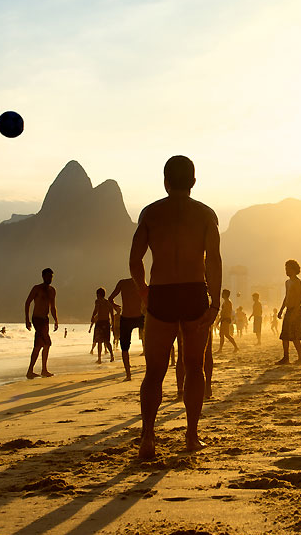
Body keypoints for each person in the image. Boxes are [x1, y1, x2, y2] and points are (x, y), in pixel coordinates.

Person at [129, 155, 221, 459]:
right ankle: (192, 436)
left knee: (154, 370)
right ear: (193, 182)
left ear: (165, 181)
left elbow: (135, 259)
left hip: (162, 294)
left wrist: (144, 292)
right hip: (194, 292)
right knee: (195, 367)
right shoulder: (206, 215)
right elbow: (214, 260)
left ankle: (148, 439)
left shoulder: (151, 214)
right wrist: (215, 301)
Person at [24, 267, 58, 378]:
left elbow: (53, 307)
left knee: (40, 345)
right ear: (43, 276)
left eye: (51, 276)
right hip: (37, 319)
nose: (50, 278)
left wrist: (56, 320)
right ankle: (38, 370)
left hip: (45, 320)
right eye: (48, 276)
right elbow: (27, 302)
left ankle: (36, 370)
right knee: (46, 343)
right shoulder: (37, 288)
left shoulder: (52, 290)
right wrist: (27, 320)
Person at [109, 278, 144, 381]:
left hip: (127, 317)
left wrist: (115, 306)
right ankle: (150, 370)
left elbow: (110, 298)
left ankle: (128, 375)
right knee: (149, 343)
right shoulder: (140, 281)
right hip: (139, 316)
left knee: (125, 348)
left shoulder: (122, 283)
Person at [277, 259, 301, 364]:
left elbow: (299, 297)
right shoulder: (287, 282)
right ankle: (286, 357)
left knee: (295, 335)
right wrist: (281, 310)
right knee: (284, 335)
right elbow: (286, 297)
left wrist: (295, 312)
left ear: (293, 270)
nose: (286, 271)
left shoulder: (297, 282)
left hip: (295, 310)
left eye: (287, 269)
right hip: (288, 310)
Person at [89, 287, 115, 364]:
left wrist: (93, 316)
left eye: (97, 294)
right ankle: (110, 355)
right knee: (106, 341)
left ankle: (101, 358)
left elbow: (96, 310)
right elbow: (112, 314)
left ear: (99, 295)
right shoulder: (107, 303)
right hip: (105, 323)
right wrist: (112, 324)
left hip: (101, 323)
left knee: (101, 341)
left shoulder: (98, 301)